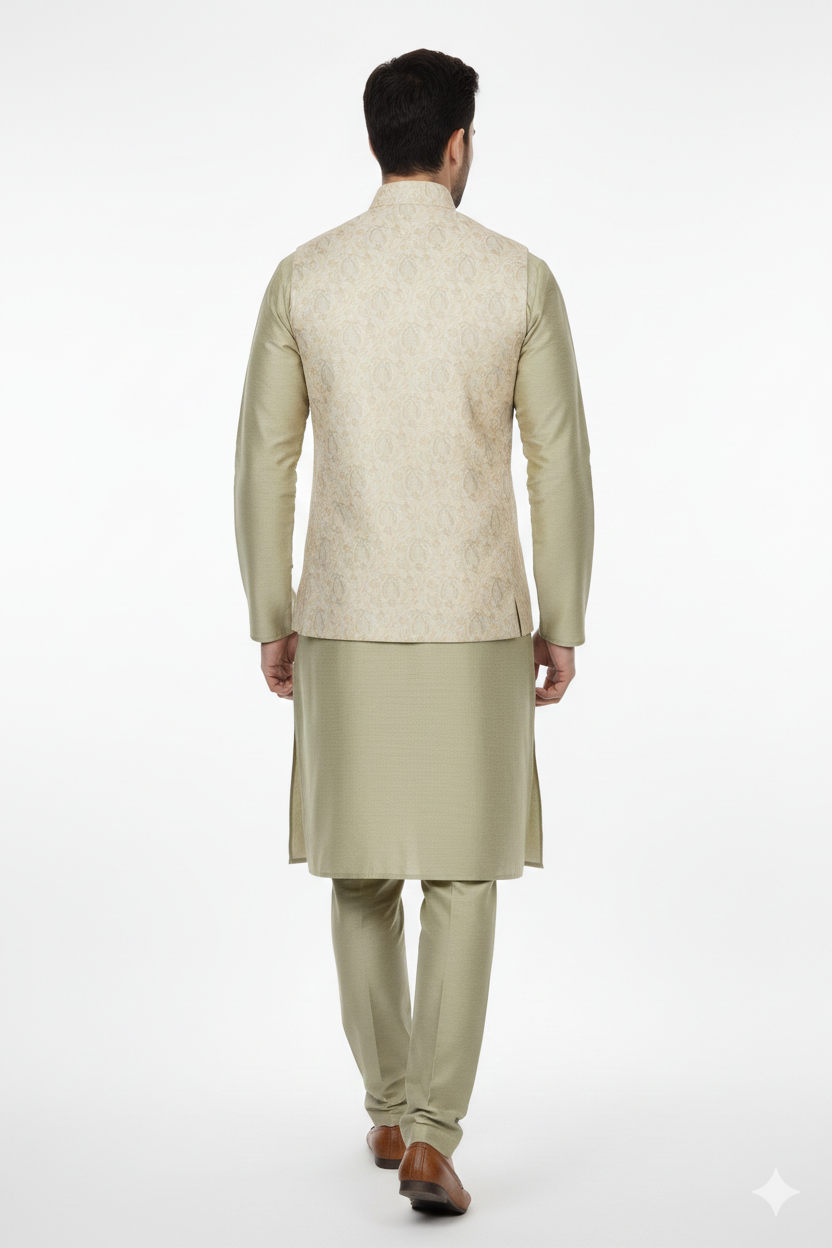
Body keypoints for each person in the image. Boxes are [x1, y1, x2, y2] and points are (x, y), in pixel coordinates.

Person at [233, 47, 594, 1216]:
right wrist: (561, 614)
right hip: (475, 618)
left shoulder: (305, 278)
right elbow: (555, 461)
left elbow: (265, 459)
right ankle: (434, 1136)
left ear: (376, 142)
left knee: (358, 874)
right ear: (456, 145)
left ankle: (390, 1106)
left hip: (343, 615)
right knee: (462, 881)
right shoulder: (518, 279)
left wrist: (272, 611)